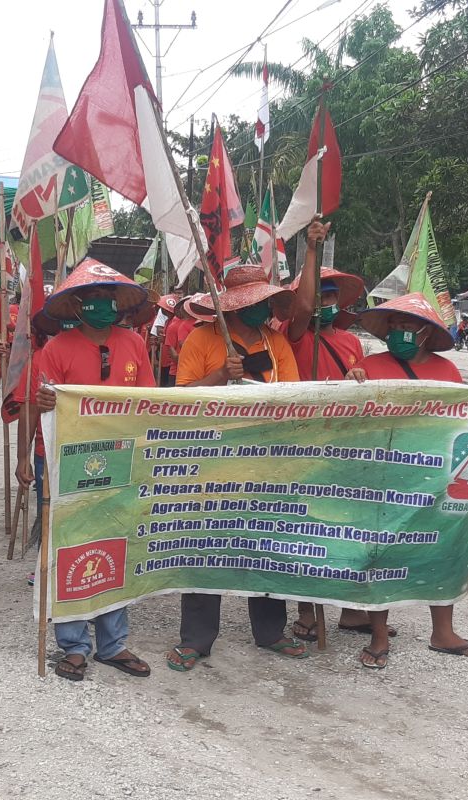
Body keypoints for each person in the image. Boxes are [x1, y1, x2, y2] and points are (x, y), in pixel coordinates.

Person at [167, 265, 307, 671]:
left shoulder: (277, 342)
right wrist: (217, 377)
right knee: (204, 546)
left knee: (266, 545)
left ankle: (270, 631)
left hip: (266, 458)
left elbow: (293, 396)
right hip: (212, 459)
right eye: (253, 302)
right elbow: (180, 399)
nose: (260, 309)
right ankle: (196, 638)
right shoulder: (200, 339)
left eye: (265, 302)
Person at [22, 259, 155, 682]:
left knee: (117, 543)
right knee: (69, 546)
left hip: (122, 458)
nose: (101, 305)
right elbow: (42, 407)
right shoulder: (55, 350)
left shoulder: (133, 343)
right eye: (93, 299)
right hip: (65, 461)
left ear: (118, 303)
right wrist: (34, 442)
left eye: (107, 298)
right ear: (78, 306)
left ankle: (113, 643)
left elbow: (147, 402)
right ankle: (74, 644)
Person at [343, 292, 468, 668]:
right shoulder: (368, 368)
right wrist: (349, 383)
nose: (399, 333)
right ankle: (377, 635)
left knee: (442, 547)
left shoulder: (448, 373)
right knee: (381, 552)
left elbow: (464, 421)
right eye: (394, 326)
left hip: (432, 478)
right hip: (382, 477)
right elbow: (348, 420)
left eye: (407, 327)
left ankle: (443, 631)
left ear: (425, 332)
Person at [286, 219, 375, 643]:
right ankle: (307, 610)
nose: (324, 303)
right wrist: (311, 250)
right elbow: (301, 310)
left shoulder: (351, 342)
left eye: (331, 296)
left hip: (346, 444)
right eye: (319, 295)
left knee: (349, 526)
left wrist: (359, 379)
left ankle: (354, 611)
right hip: (305, 442)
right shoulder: (296, 335)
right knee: (309, 527)